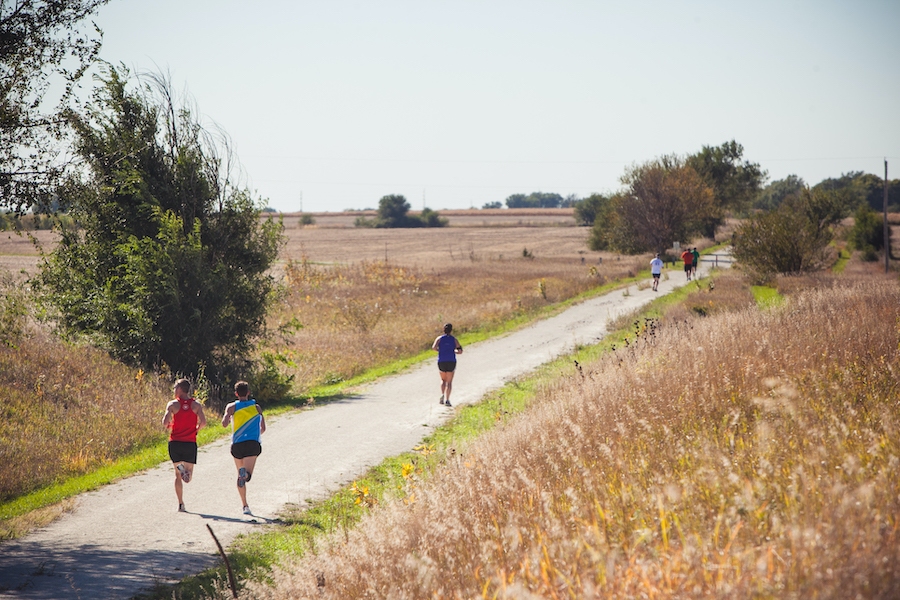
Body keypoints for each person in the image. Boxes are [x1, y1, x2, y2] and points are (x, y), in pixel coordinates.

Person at [221, 381, 266, 515]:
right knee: (247, 476)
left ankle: (245, 505)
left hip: (237, 445)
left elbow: (224, 424)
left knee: (239, 475)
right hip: (252, 444)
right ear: (248, 393)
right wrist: (254, 434)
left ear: (236, 394)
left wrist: (229, 416)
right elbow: (263, 428)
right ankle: (245, 474)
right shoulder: (256, 407)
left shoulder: (232, 407)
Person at [163, 378, 207, 512]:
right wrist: (196, 430)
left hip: (175, 442)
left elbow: (165, 422)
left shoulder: (172, 404)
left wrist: (170, 426)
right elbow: (203, 422)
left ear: (180, 389)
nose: (174, 390)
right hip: (190, 442)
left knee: (177, 475)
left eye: (175, 387)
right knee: (188, 477)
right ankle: (184, 471)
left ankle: (181, 504)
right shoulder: (196, 405)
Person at [432, 323, 462, 407]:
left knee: (443, 380)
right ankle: (448, 400)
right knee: (449, 382)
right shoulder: (454, 339)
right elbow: (460, 351)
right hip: (451, 361)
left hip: (441, 361)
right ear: (451, 330)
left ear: (443, 330)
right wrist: (453, 351)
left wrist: (440, 351)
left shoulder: (439, 339)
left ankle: (442, 395)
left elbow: (434, 347)